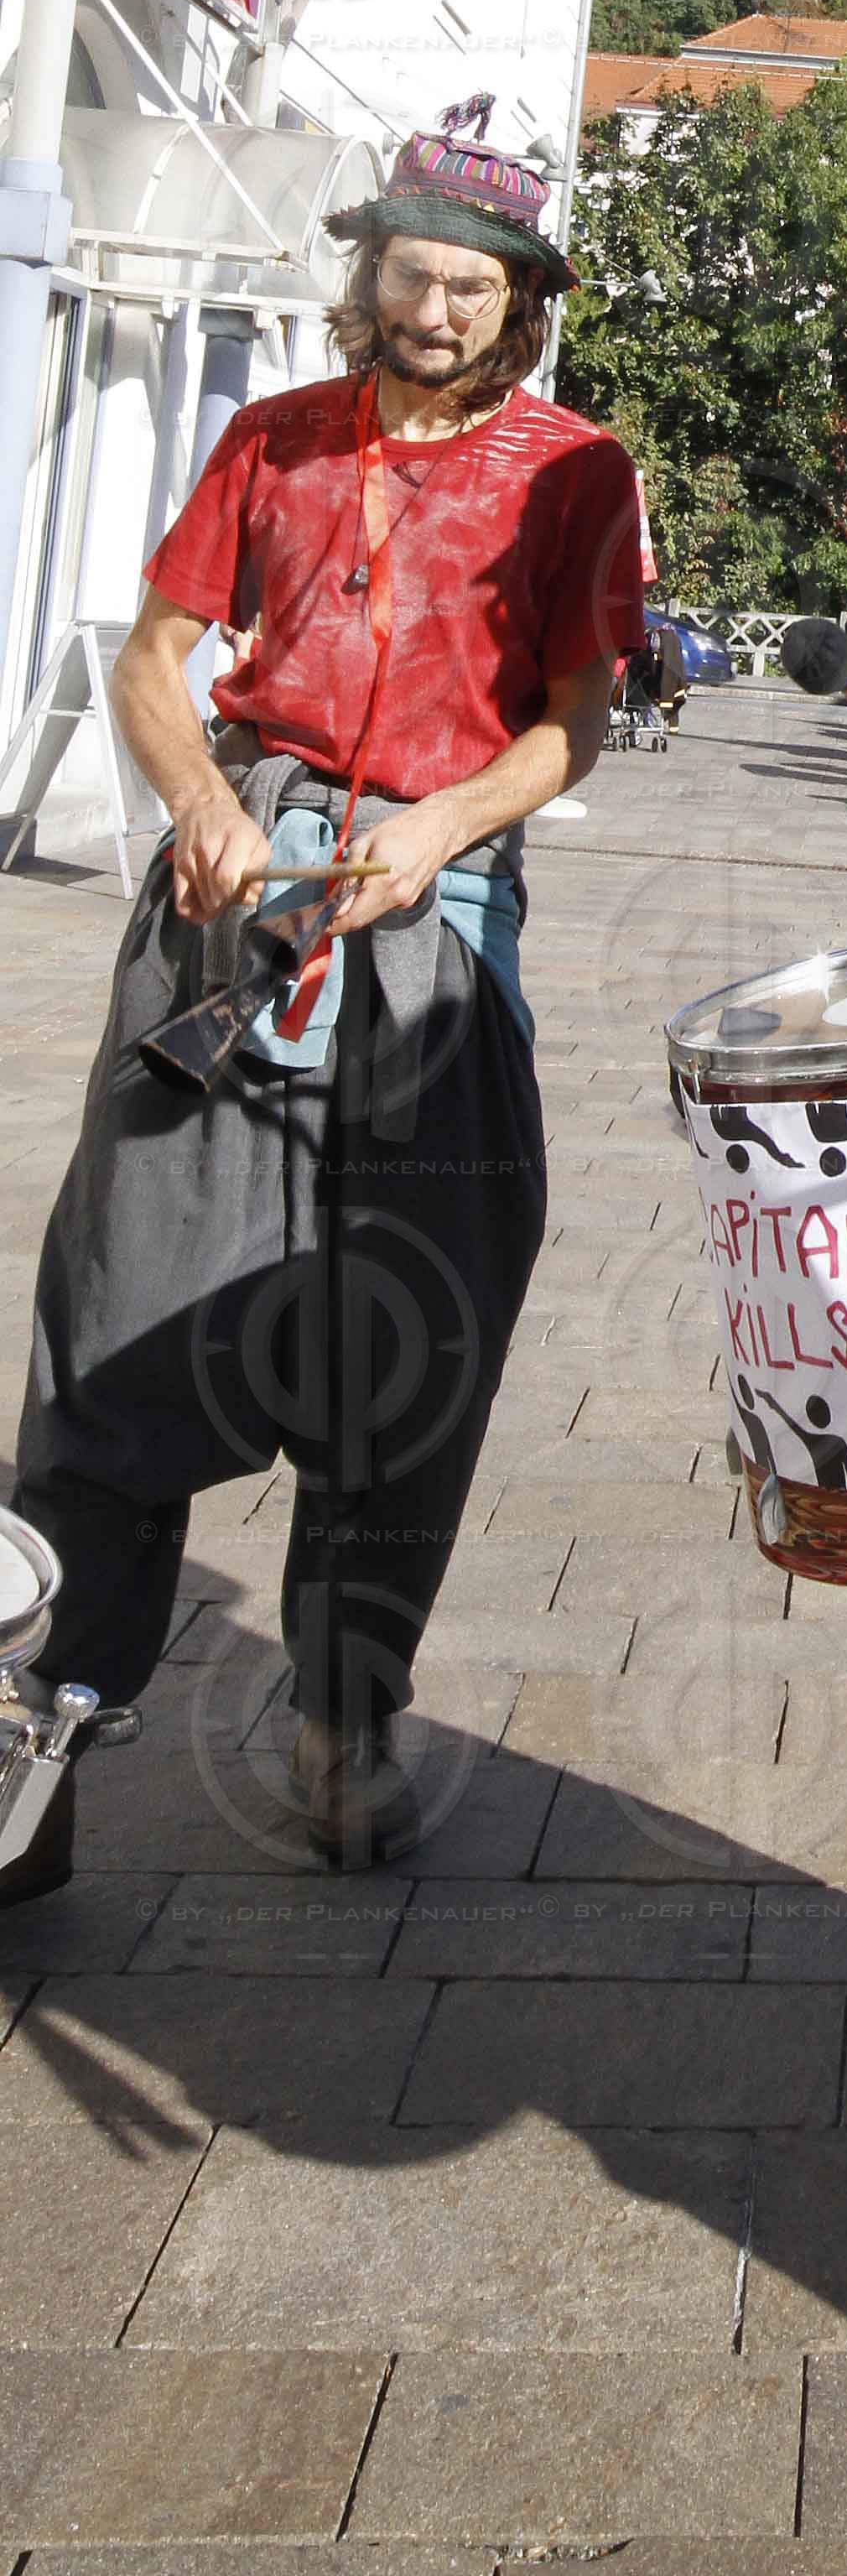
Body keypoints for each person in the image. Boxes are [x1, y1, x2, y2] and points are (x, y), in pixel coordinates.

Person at [3, 112, 642, 1892]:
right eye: (410, 273)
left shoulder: (576, 468)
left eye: (473, 283)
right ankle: (35, 1730)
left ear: (517, 304)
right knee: (121, 1322)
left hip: (436, 936)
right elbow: (151, 668)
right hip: (233, 916)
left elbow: (574, 718)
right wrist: (201, 805)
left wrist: (443, 823)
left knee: (409, 1337)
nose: (433, 307)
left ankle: (344, 1714)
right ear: (369, 276)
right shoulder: (271, 440)